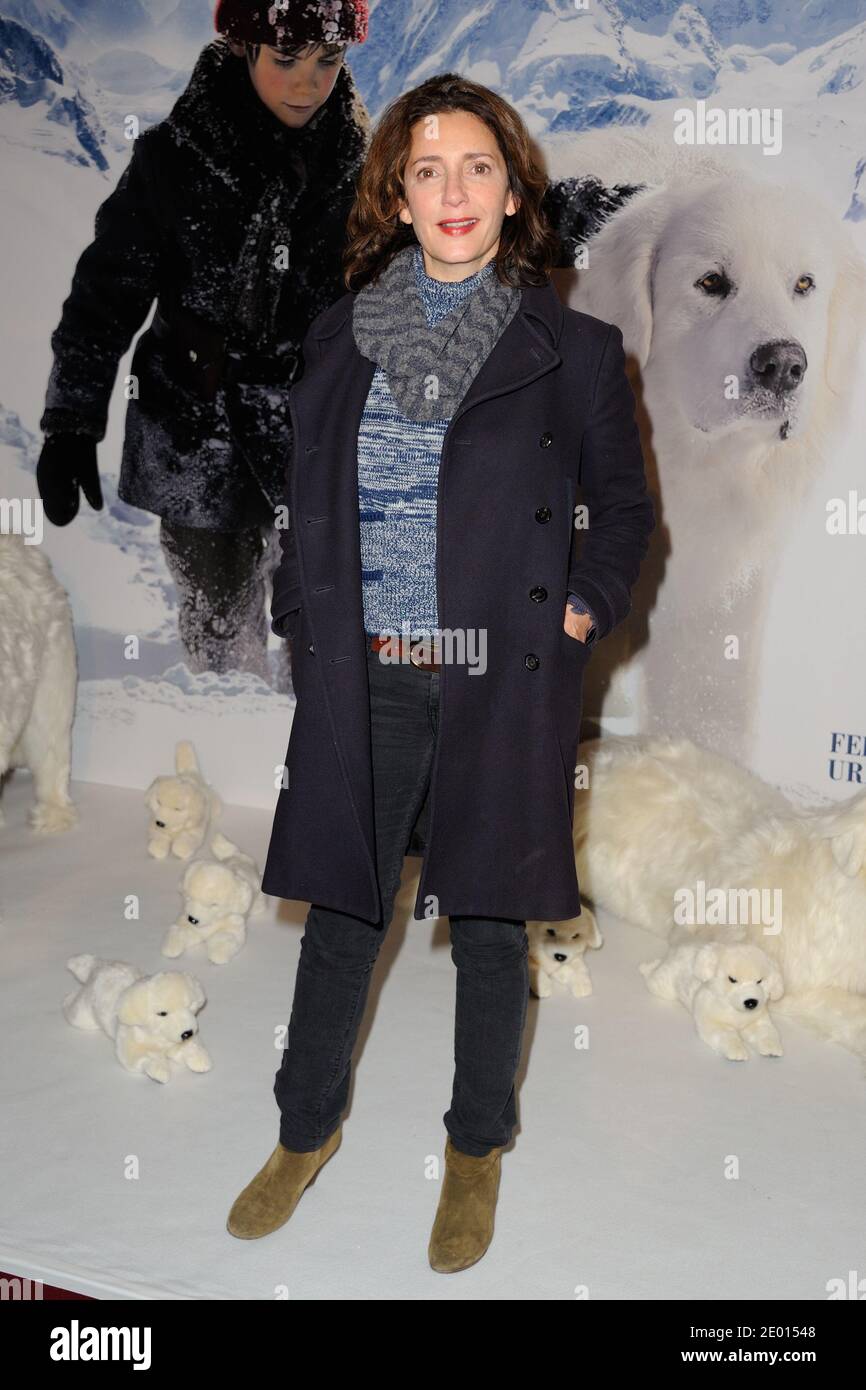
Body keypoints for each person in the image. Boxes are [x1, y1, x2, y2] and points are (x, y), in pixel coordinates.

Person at [227, 72, 656, 1272]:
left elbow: (621, 509)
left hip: (501, 671)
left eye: (477, 167)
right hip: (365, 670)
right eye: (427, 170)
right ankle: (301, 1132)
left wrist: (581, 606)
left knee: (488, 929)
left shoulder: (572, 350)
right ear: (397, 197)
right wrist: (300, 617)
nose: (453, 190)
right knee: (339, 918)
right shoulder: (334, 335)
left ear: (513, 195)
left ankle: (474, 1151)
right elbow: (304, 499)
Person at [36, 0, 371, 682]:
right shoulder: (173, 158)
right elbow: (105, 297)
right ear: (246, 47)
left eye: (328, 61)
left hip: (315, 431)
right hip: (195, 428)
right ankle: (223, 743)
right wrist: (71, 420)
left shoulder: (367, 170)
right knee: (220, 639)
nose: (308, 83)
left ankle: (312, 760)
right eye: (286, 60)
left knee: (330, 629)